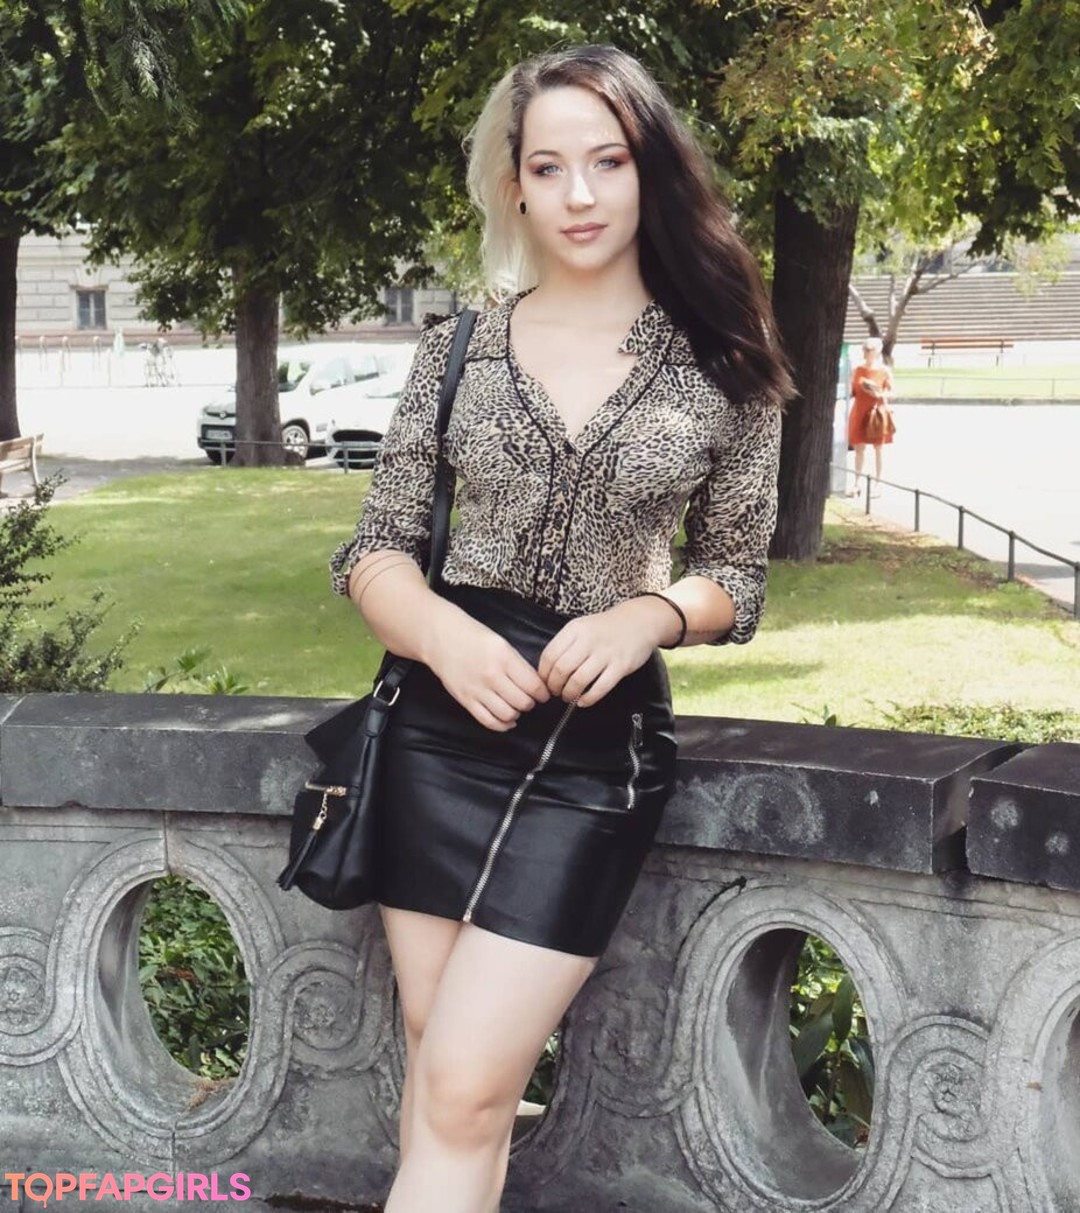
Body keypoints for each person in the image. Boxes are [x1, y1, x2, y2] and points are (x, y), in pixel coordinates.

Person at [329, 44, 792, 1213]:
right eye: (549, 167)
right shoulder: (457, 347)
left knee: (464, 1081)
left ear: (651, 170)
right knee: (448, 1071)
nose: (579, 194)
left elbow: (738, 573)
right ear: (515, 186)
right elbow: (373, 549)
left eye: (608, 161)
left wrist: (651, 613)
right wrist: (441, 637)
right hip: (438, 728)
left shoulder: (726, 360)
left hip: (594, 751)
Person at [847, 336, 895, 495]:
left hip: (877, 412)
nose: (867, 352)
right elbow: (851, 391)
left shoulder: (884, 370)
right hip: (859, 411)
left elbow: (893, 393)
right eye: (865, 349)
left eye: (870, 349)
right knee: (859, 448)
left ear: (878, 351)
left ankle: (878, 484)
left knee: (878, 449)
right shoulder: (857, 370)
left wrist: (879, 393)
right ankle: (857, 483)